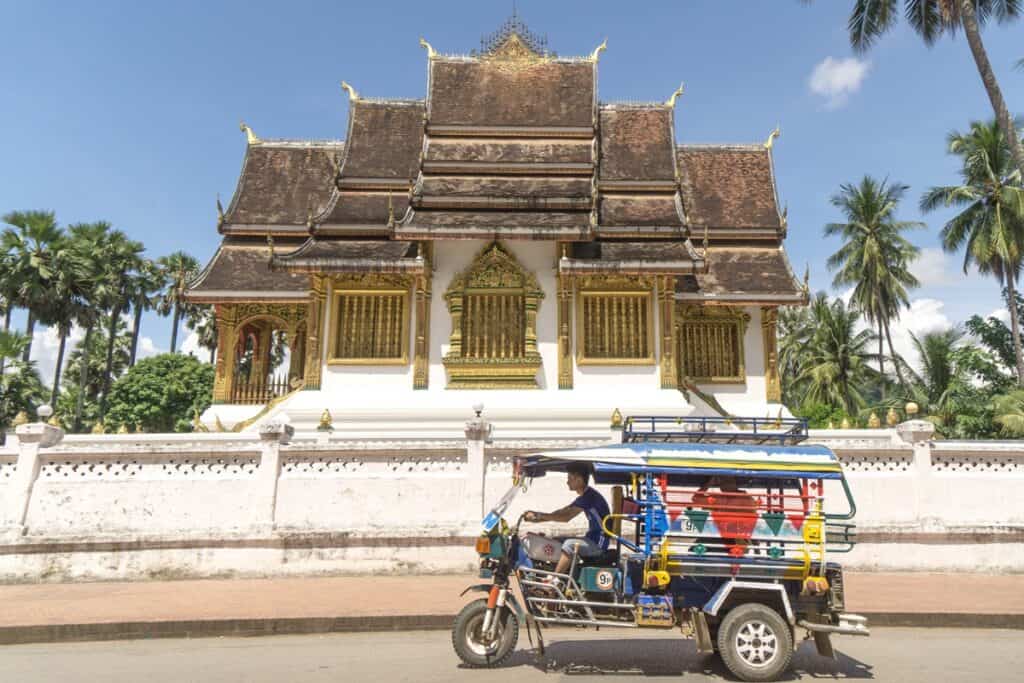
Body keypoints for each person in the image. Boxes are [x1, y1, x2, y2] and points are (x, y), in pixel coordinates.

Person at [523, 463, 610, 578]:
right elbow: (561, 512)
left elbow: (565, 517)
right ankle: (556, 573)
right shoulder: (586, 496)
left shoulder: (589, 497)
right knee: (556, 541)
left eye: (570, 478)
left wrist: (539, 515)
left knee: (569, 545)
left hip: (598, 544)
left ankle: (554, 580)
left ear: (579, 479)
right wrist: (537, 519)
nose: (567, 482)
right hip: (591, 539)